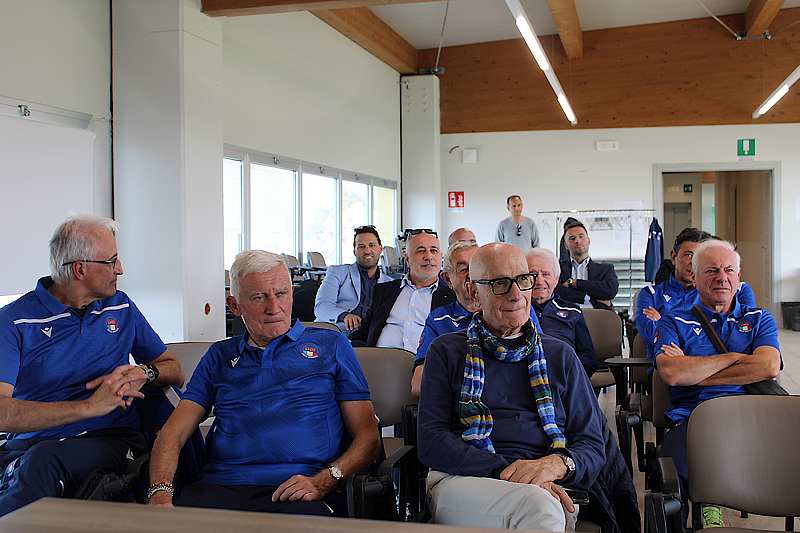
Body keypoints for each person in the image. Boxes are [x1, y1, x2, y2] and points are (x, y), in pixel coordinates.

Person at [148, 250, 379, 514]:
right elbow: (173, 433)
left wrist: (326, 479)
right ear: (234, 305)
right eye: (259, 297)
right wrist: (160, 493)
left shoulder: (331, 345)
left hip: (300, 489)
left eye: (281, 294)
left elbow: (368, 437)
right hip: (221, 487)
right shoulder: (220, 356)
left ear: (292, 294)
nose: (274, 308)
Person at [0, 215, 184, 516]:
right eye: (111, 261)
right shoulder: (13, 320)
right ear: (80, 269)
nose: (120, 269)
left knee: (44, 462)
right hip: (31, 446)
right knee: (39, 461)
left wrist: (144, 372)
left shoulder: (121, 307)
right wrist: (89, 407)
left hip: (108, 439)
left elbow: (173, 368)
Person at [418, 243, 605, 532]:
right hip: (462, 479)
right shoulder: (446, 351)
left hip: (547, 481)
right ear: (474, 292)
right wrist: (511, 471)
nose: (516, 294)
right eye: (500, 283)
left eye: (523, 280)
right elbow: (431, 441)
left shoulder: (561, 355)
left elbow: (592, 445)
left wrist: (555, 465)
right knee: (540, 508)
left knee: (540, 506)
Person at [652, 240, 781, 528]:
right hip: (693, 421)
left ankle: (711, 503)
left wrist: (696, 371)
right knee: (671, 477)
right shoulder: (673, 321)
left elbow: (768, 366)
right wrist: (736, 357)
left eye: (728, 270)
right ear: (695, 277)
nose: (722, 277)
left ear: (738, 277)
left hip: (752, 419)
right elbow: (673, 373)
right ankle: (701, 509)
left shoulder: (759, 319)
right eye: (711, 270)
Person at [636, 229, 756, 355]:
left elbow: (745, 338)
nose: (693, 262)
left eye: (699, 257)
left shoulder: (733, 290)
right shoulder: (650, 294)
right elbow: (653, 337)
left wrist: (664, 324)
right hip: (667, 362)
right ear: (673, 257)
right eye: (689, 255)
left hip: (708, 363)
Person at [351, 230, 454, 350]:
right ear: (407, 259)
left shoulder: (451, 297)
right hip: (378, 358)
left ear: (441, 257)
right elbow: (362, 334)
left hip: (423, 361)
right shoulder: (384, 291)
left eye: (434, 251)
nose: (428, 257)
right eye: (421, 251)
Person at [411, 241, 480, 396]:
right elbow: (419, 384)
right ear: (448, 279)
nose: (472, 275)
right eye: (463, 269)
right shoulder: (438, 320)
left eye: (476, 266)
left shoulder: (510, 310)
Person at [526, 248, 597, 378]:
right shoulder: (513, 312)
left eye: (546, 274)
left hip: (565, 378)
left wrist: (569, 378)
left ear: (556, 279)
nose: (539, 281)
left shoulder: (573, 311)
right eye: (533, 274)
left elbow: (588, 358)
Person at [314, 225, 392, 332]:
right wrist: (344, 316)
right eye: (361, 246)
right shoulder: (337, 272)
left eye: (372, 245)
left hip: (371, 336)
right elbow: (321, 307)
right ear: (354, 251)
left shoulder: (390, 283)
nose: (367, 251)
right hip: (337, 331)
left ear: (380, 249)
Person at [557, 220, 618, 310]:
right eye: (572, 238)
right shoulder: (558, 269)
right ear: (566, 245)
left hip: (597, 315)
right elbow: (557, 292)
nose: (577, 241)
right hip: (567, 315)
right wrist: (590, 298)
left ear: (588, 240)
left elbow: (610, 291)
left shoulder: (605, 269)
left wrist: (574, 282)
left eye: (581, 236)